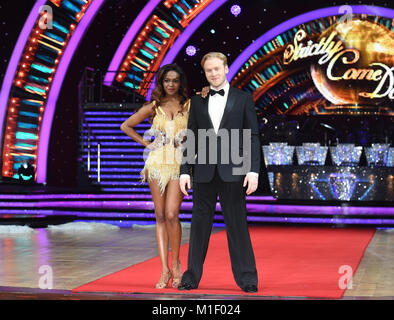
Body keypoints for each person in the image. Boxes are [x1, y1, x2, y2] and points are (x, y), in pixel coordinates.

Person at [178, 52, 261, 293]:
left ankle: (247, 279)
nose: (213, 74)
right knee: (198, 227)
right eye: (208, 71)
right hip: (203, 172)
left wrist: (252, 170)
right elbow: (190, 136)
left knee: (237, 225)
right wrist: (185, 170)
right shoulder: (198, 101)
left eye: (217, 69)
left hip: (233, 170)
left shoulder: (243, 98)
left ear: (226, 69)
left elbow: (252, 136)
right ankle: (190, 278)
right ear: (205, 73)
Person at [121, 63, 209, 289]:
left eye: (175, 81)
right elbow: (126, 126)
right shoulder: (154, 106)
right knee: (160, 215)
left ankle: (177, 263)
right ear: (161, 82)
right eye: (167, 81)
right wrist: (146, 143)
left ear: (181, 83)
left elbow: (202, 130)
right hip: (157, 163)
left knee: (172, 213)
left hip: (179, 164)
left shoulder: (189, 105)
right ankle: (164, 270)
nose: (171, 85)